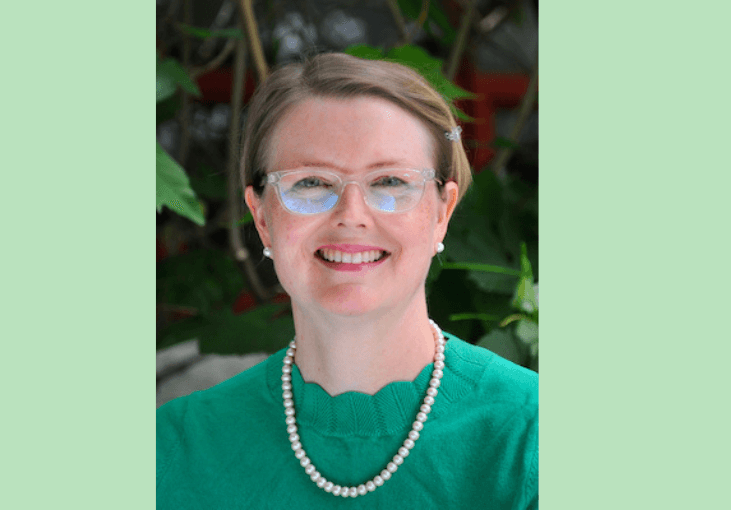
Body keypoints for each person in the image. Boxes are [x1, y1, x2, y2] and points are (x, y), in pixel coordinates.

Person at [157, 53, 538, 508]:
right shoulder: (173, 449)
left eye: (391, 181)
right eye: (312, 183)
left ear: (442, 213)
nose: (351, 216)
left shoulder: (532, 436)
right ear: (262, 217)